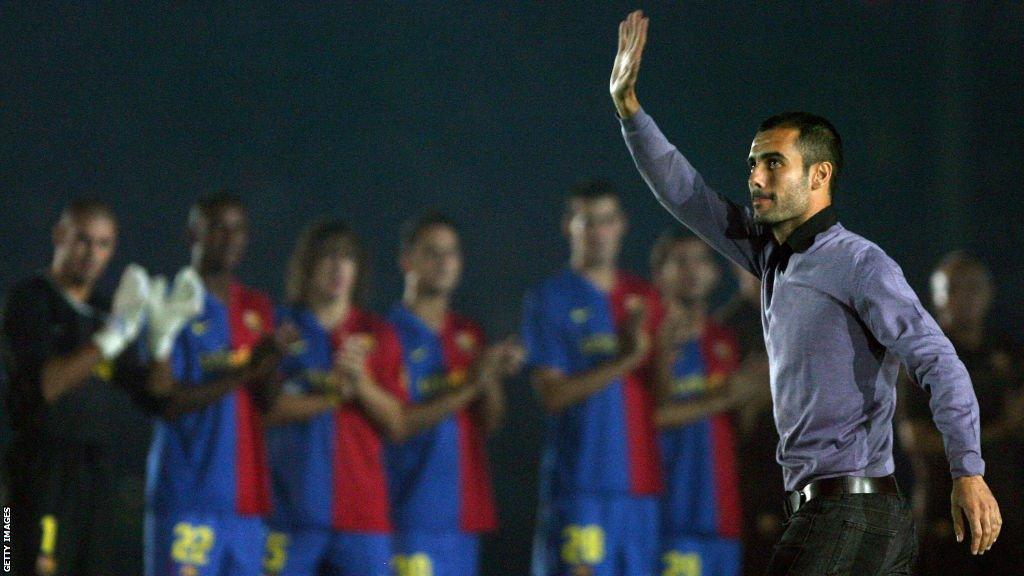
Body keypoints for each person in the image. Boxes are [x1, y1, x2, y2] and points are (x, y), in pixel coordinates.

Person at [610, 10, 1000, 574]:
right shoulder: (771, 254)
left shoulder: (860, 263)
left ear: (819, 176)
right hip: (844, 518)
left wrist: (968, 471)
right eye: (752, 165)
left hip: (850, 514)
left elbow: (938, 360)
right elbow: (687, 194)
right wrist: (629, 112)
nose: (756, 178)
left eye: (774, 163)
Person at [1, 199, 148, 576]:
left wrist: (161, 339)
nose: (92, 254)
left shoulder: (107, 311)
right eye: (83, 240)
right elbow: (48, 386)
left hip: (96, 478)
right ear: (59, 235)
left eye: (103, 244)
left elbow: (154, 395)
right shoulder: (30, 299)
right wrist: (112, 337)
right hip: (37, 476)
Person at [522, 181, 662, 576]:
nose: (599, 232)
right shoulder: (549, 298)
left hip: (643, 490)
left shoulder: (645, 297)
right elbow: (552, 395)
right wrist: (624, 359)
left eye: (607, 221)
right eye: (588, 222)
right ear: (569, 226)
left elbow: (663, 394)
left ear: (622, 226)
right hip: (580, 488)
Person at [141, 192, 285, 576]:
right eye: (219, 228)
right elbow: (166, 403)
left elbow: (267, 404)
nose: (231, 237)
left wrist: (271, 363)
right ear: (194, 235)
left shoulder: (257, 307)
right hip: (188, 498)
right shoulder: (170, 303)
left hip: (246, 506)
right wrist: (245, 371)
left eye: (239, 229)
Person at [261, 220, 405, 576]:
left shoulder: (377, 333)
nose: (338, 266)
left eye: (348, 258)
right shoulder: (278, 328)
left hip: (362, 517)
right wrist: (333, 393)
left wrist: (361, 384)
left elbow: (397, 423)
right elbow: (261, 410)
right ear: (306, 264)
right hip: (288, 513)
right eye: (328, 255)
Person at [386, 213, 522, 576]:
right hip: (408, 511)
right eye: (432, 252)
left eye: (452, 253)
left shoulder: (468, 334)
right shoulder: (386, 335)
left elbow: (489, 422)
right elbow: (396, 423)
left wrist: (489, 376)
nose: (444, 262)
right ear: (406, 261)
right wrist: (471, 385)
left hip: (464, 514)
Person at [900, 251, 1023, 575]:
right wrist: (992, 436)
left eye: (973, 288)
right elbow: (915, 439)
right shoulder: (921, 360)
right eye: (954, 289)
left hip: (1006, 512)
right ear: (937, 297)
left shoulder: (1006, 353)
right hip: (944, 517)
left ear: (989, 293)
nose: (965, 298)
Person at [651, 228, 754, 576]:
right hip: (670, 514)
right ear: (659, 273)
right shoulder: (646, 339)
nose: (693, 270)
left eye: (701, 260)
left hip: (723, 516)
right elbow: (648, 416)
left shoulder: (726, 339)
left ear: (714, 273)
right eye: (681, 262)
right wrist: (726, 395)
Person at [713, 265, 780, 576]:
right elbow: (723, 417)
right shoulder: (723, 331)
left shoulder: (801, 318)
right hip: (748, 488)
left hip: (800, 486)